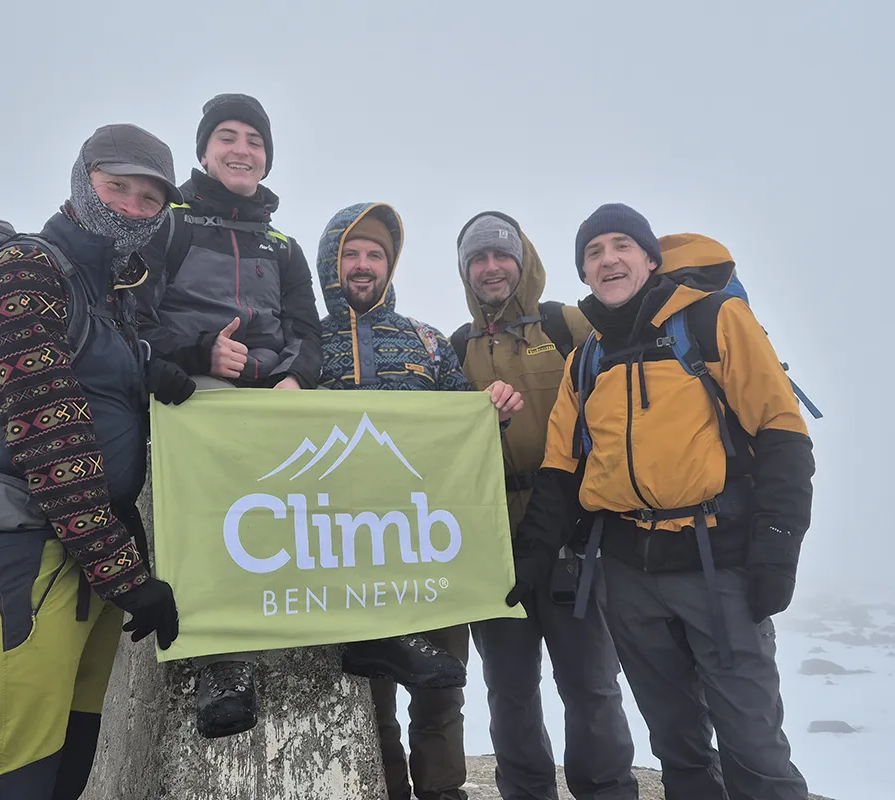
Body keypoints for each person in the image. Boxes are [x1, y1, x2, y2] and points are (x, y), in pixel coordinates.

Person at [507, 204, 815, 800]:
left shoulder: (711, 321)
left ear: (650, 259)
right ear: (584, 274)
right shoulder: (586, 360)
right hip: (628, 574)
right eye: (593, 253)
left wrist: (777, 548)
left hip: (717, 563)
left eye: (621, 245)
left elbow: (782, 434)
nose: (607, 260)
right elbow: (561, 474)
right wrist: (532, 559)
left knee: (753, 747)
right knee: (677, 745)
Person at [0, 122, 196, 799]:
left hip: (90, 557)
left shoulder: (106, 294)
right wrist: (127, 574)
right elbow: (49, 443)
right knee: (16, 777)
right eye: (116, 187)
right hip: (28, 553)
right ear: (80, 181)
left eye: (150, 200)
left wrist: (150, 369)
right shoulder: (25, 271)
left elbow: (89, 386)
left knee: (69, 769)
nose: (131, 208)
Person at [317, 202, 522, 800]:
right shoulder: (301, 340)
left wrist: (496, 413)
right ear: (332, 262)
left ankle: (444, 794)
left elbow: (468, 431)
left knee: (440, 693)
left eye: (374, 254)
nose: (362, 265)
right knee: (369, 699)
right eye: (351, 254)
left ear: (390, 264)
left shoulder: (428, 342)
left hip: (426, 545)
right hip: (339, 550)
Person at [133, 93, 322, 740]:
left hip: (272, 402)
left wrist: (298, 375)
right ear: (204, 151)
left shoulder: (283, 245)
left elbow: (308, 331)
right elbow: (134, 320)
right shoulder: (169, 224)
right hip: (194, 400)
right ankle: (221, 666)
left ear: (268, 158)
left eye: (255, 141)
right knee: (215, 523)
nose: (243, 149)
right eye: (228, 137)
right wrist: (199, 352)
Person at [451, 212, 637, 800]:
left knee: (591, 684)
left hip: (574, 535)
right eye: (477, 259)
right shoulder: (458, 348)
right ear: (466, 272)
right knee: (508, 689)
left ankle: (606, 790)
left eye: (500, 255)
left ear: (522, 259)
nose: (490, 267)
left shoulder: (568, 323)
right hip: (494, 543)